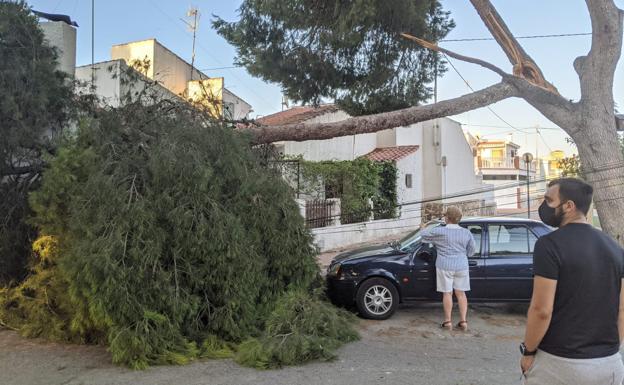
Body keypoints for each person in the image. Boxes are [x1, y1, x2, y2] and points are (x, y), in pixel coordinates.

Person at [520, 178, 624, 384]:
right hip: (609, 364)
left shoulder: (549, 245)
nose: (544, 206)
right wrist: (612, 348)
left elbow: (541, 310)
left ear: (568, 206)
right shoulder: (615, 248)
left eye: (549, 200)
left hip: (560, 364)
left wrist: (528, 351)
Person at [421, 206, 476, 331]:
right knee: (461, 293)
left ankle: (448, 322)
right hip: (461, 265)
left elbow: (423, 236)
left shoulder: (439, 231)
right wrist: (461, 254)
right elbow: (472, 251)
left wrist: (423, 227)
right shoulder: (466, 232)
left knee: (447, 293)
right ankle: (463, 322)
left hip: (444, 266)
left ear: (447, 218)